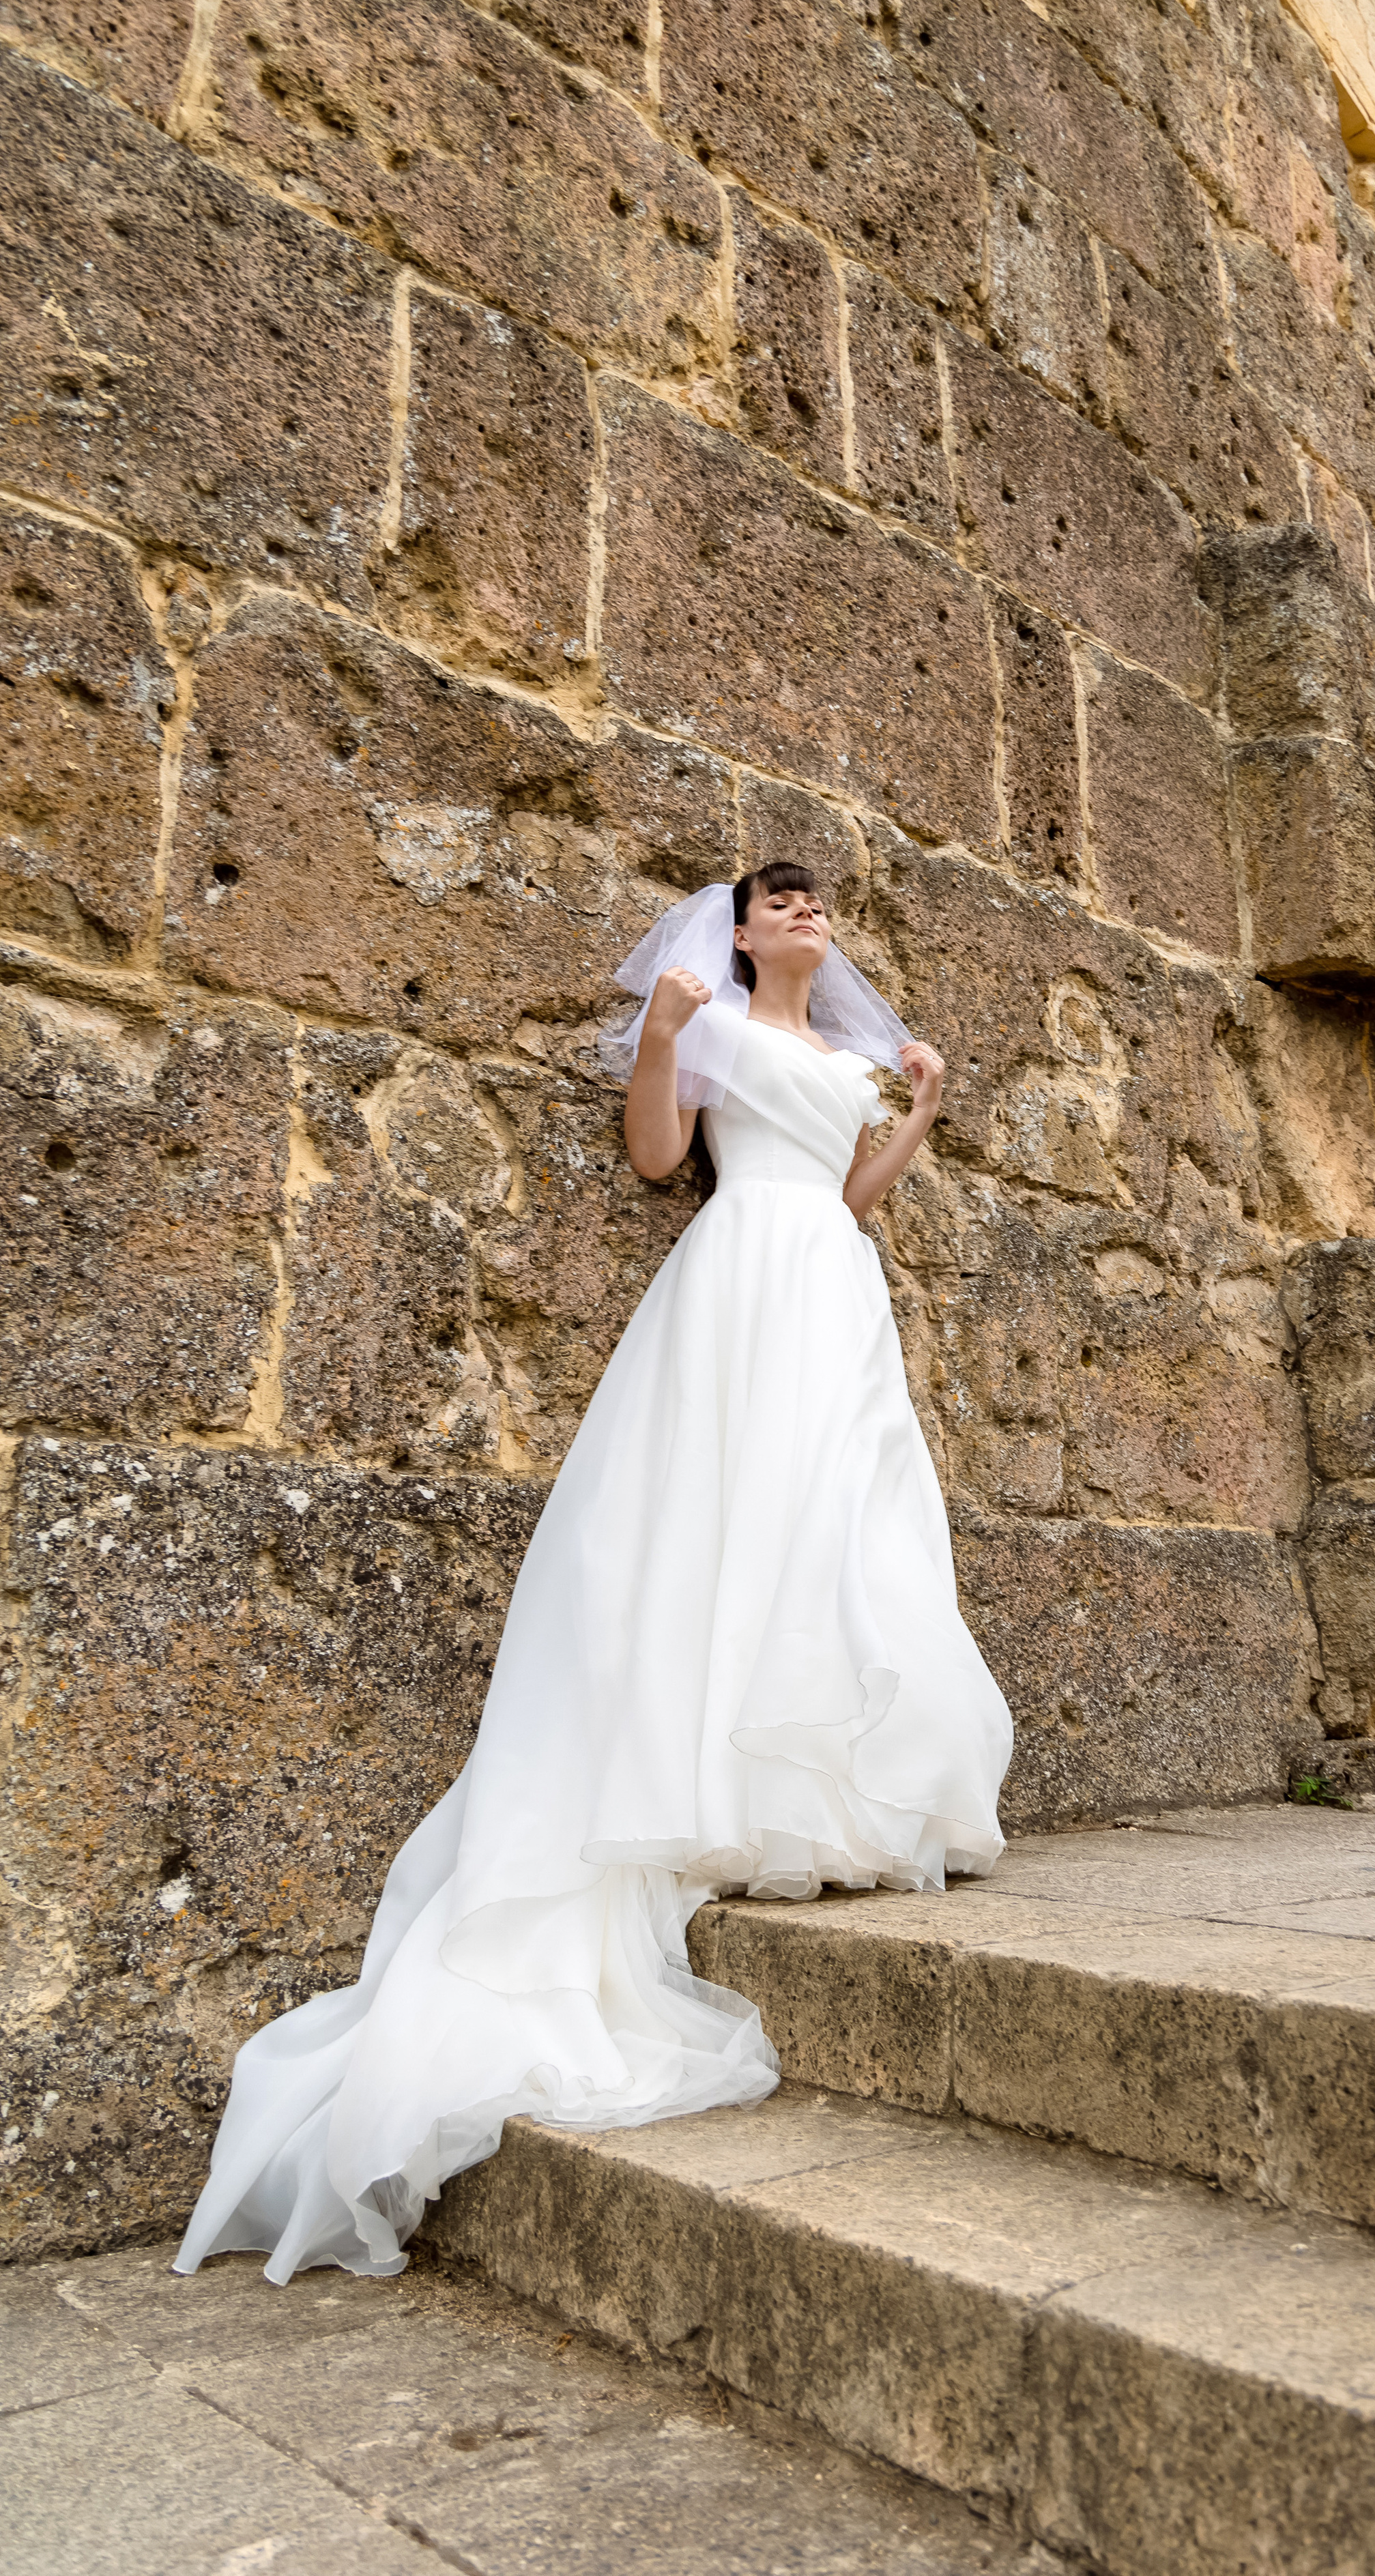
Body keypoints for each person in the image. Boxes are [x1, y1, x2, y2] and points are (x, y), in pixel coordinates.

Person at [173, 861, 1013, 2283]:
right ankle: (709, 1786)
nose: (808, 914)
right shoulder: (710, 1014)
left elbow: (859, 1199)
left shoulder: (859, 1054)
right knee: (718, 1520)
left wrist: (917, 1109)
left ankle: (818, 1800)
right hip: (738, 1267)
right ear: (740, 928)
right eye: (782, 900)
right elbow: (651, 1156)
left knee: (840, 1521)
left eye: (819, 903)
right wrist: (671, 1034)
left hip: (828, 1280)